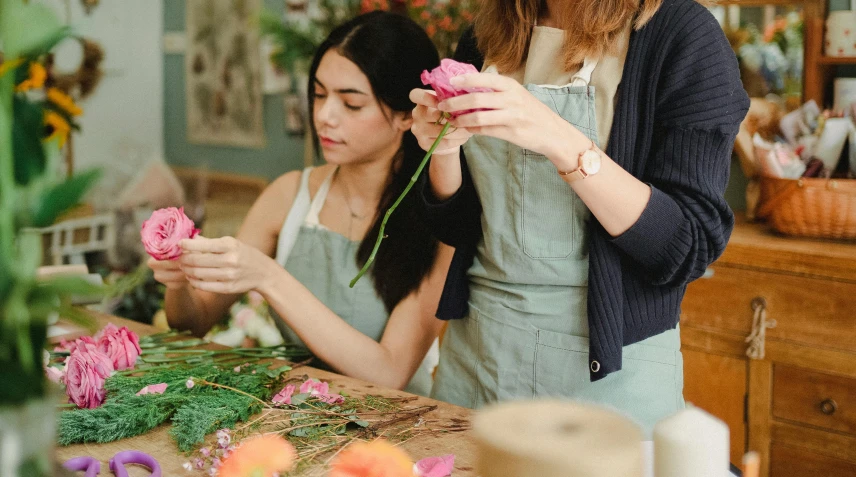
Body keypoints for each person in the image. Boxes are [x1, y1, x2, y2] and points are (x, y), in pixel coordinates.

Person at [410, 0, 750, 431]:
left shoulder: (681, 34)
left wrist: (558, 140)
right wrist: (443, 150)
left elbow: (685, 246)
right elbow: (457, 227)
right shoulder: (488, 36)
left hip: (608, 383)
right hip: (476, 361)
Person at [150, 11, 452, 396]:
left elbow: (389, 371)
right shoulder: (289, 195)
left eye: (351, 104)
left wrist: (269, 277)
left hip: (394, 431)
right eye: (319, 95)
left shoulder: (437, 218)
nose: (324, 116)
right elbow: (193, 326)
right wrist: (178, 283)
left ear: (406, 116)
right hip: (292, 414)